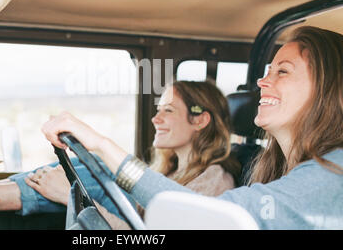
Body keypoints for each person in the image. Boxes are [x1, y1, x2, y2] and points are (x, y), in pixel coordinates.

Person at [41, 26, 343, 229]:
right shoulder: (276, 168)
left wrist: (103, 145)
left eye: (283, 72)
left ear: (332, 90)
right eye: (267, 72)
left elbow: (206, 216)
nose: (263, 82)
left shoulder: (332, 174)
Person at [0, 80, 240, 226]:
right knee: (96, 168)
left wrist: (74, 199)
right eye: (157, 110)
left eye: (168, 111)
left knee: (97, 173)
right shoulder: (171, 169)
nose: (156, 119)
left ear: (200, 120)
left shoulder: (214, 181)